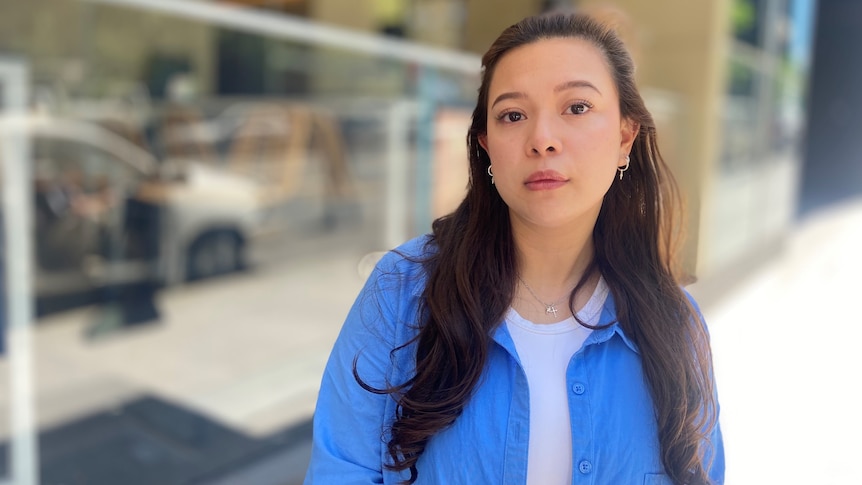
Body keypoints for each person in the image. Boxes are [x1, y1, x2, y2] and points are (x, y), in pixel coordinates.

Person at [304, 11, 724, 485]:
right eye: (513, 115)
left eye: (577, 107)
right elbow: (342, 471)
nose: (542, 139)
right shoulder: (401, 292)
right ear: (486, 145)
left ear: (625, 137)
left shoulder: (675, 325)